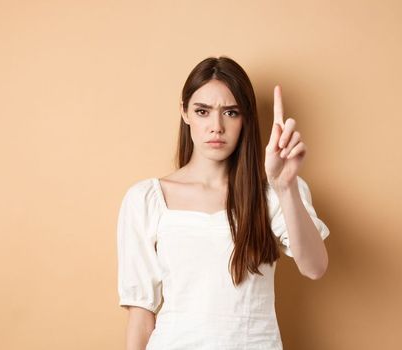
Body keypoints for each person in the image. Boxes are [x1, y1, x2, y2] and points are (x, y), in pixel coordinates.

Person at [116, 56, 331, 350]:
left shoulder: (274, 191)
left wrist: (285, 187)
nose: (216, 126)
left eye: (231, 112)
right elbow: (141, 317)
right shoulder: (146, 200)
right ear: (185, 113)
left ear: (246, 119)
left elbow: (315, 266)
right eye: (202, 111)